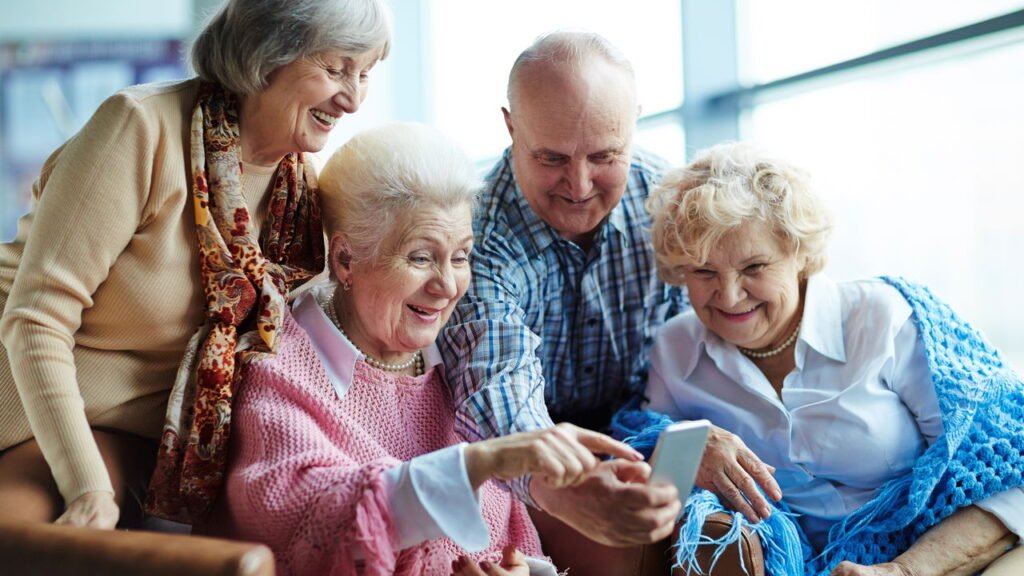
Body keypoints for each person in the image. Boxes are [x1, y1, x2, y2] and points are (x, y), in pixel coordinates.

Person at [0, 0, 391, 529]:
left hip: (135, 442)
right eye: (335, 68)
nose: (352, 99)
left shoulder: (300, 196)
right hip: (26, 409)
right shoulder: (141, 129)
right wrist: (88, 491)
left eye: (364, 74)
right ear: (265, 54)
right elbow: (35, 320)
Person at [213, 123, 646, 576]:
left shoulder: (459, 358)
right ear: (345, 260)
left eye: (461, 256)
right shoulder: (281, 367)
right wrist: (483, 460)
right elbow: (318, 520)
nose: (447, 286)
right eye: (421, 257)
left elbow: (510, 536)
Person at [439, 32, 776, 571]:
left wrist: (679, 443)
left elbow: (704, 352)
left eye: (604, 156)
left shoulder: (665, 203)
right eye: (551, 157)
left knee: (730, 540)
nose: (578, 184)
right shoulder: (474, 237)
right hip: (530, 472)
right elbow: (496, 391)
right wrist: (566, 485)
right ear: (510, 127)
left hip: (651, 435)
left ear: (635, 124)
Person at [636, 142, 1024, 575]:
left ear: (799, 254)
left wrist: (903, 571)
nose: (728, 295)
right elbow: (649, 483)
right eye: (704, 272)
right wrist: (688, 449)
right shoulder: (674, 348)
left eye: (754, 268)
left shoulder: (884, 317)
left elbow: (1009, 469)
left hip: (935, 557)